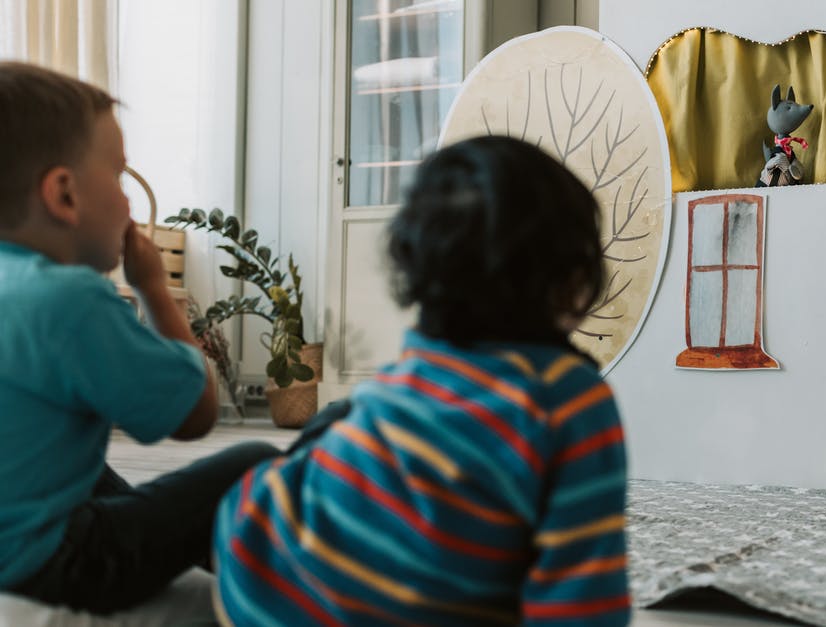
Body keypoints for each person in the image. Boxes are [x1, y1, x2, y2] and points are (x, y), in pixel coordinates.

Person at [214, 136, 631, 625]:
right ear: (571, 274)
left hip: (259, 575)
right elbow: (581, 603)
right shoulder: (571, 400)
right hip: (320, 587)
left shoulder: (423, 358)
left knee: (302, 443)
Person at [0, 61, 280, 613]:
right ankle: (291, 594)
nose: (128, 201)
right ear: (65, 195)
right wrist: (154, 288)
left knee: (85, 464)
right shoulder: (69, 299)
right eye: (120, 175)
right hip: (50, 566)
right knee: (251, 461)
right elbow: (195, 415)